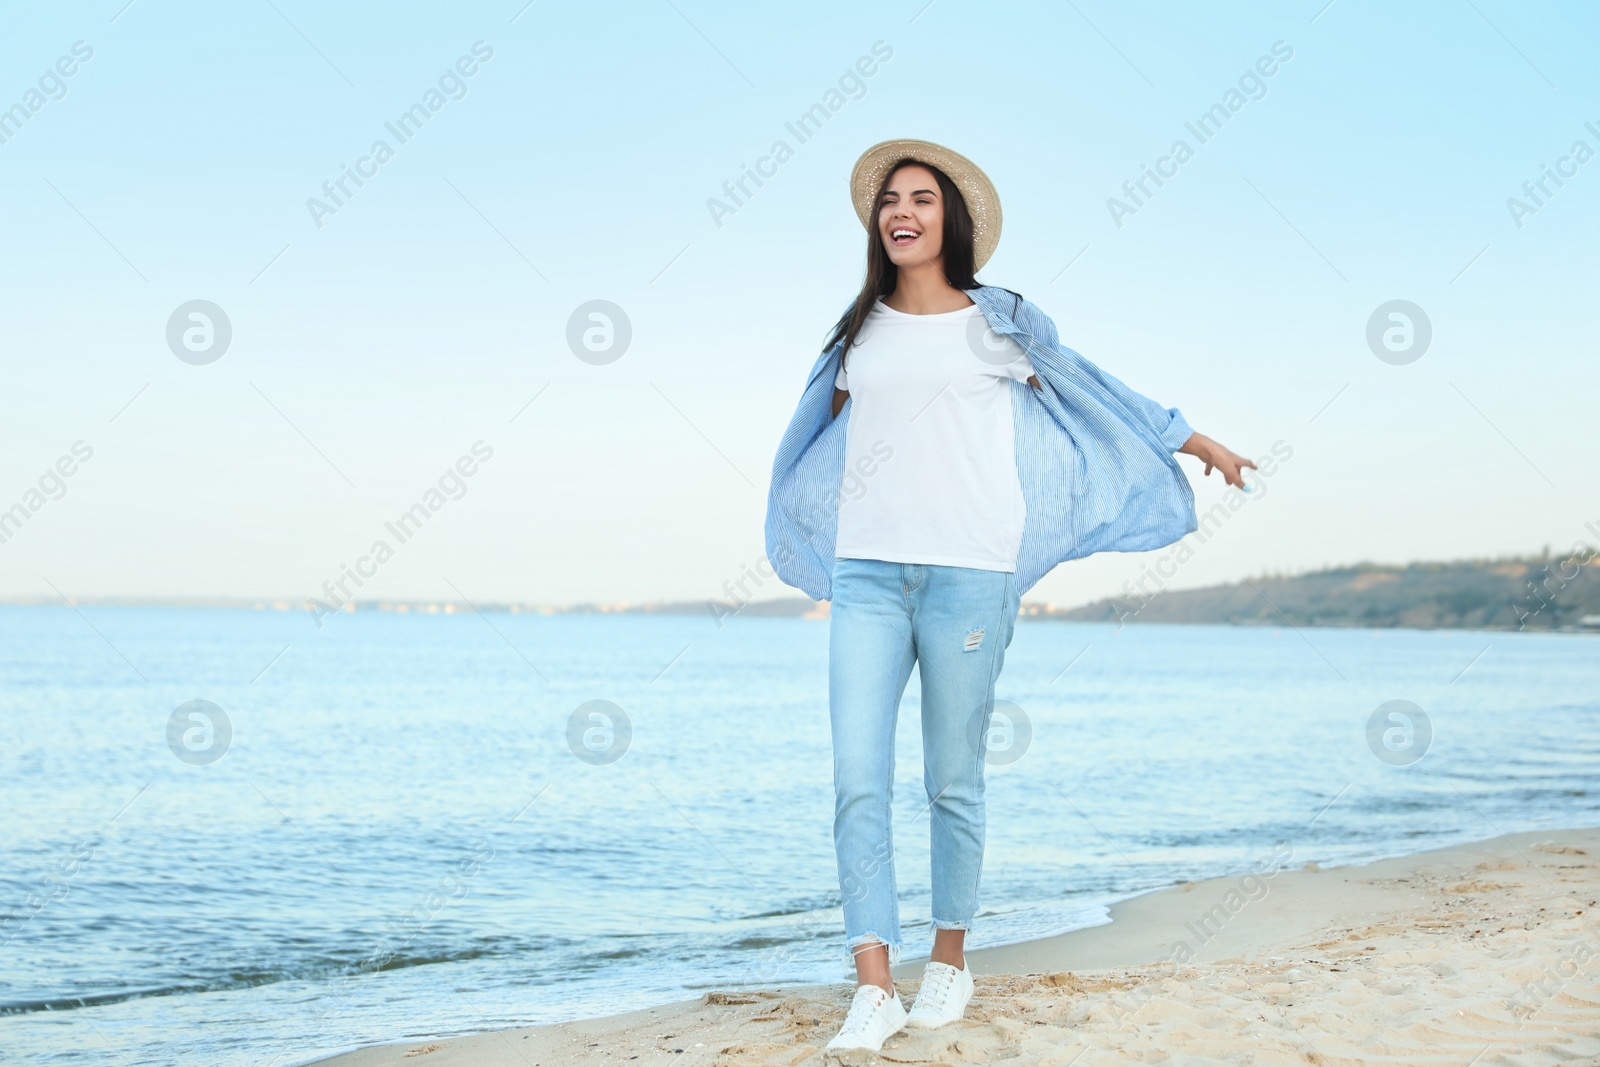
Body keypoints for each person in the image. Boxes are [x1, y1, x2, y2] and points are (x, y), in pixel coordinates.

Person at [762, 139, 1255, 1053]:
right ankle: (873, 981)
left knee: (952, 779)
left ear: (951, 218)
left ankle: (949, 961)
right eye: (889, 202)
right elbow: (811, 445)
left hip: (970, 575)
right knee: (855, 780)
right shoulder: (856, 332)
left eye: (921, 199)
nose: (902, 212)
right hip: (867, 575)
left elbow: (1096, 391)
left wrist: (1197, 440)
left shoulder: (1002, 323)